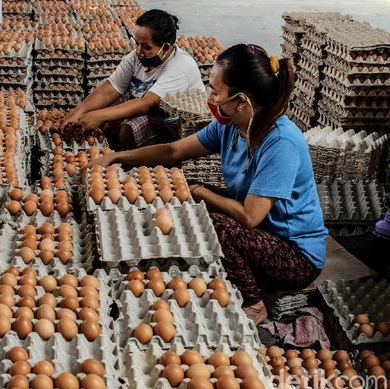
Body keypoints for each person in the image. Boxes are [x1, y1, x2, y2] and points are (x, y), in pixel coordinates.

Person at [85, 44, 328, 324]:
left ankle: (255, 304)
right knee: (192, 198)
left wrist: (198, 191)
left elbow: (250, 217)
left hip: (295, 255)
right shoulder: (232, 126)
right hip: (264, 234)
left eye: (215, 91)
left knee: (217, 223)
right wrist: (117, 157)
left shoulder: (280, 142)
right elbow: (174, 151)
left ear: (241, 101)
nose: (209, 97)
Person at [59, 9, 205, 149]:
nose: (139, 51)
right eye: (137, 44)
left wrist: (99, 116)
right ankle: (114, 139)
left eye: (146, 47)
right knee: (103, 86)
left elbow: (148, 103)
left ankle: (133, 157)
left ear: (166, 48)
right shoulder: (136, 57)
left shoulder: (180, 66)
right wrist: (77, 112)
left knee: (129, 130)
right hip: (145, 110)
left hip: (173, 127)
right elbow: (110, 89)